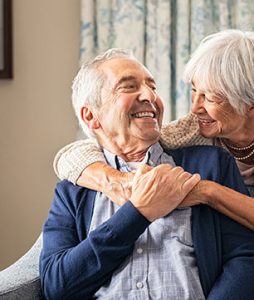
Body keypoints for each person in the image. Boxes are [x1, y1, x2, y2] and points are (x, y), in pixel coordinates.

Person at [40, 48, 254, 300]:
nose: (150, 95)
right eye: (129, 87)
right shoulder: (74, 188)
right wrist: (137, 212)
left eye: (153, 87)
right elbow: (56, 286)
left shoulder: (209, 164)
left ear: (248, 105)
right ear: (91, 116)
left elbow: (245, 258)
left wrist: (206, 190)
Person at [54, 29, 254, 230]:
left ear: (249, 105)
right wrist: (116, 181)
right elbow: (71, 155)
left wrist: (207, 191)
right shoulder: (195, 129)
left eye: (210, 98)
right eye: (194, 91)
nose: (195, 108)